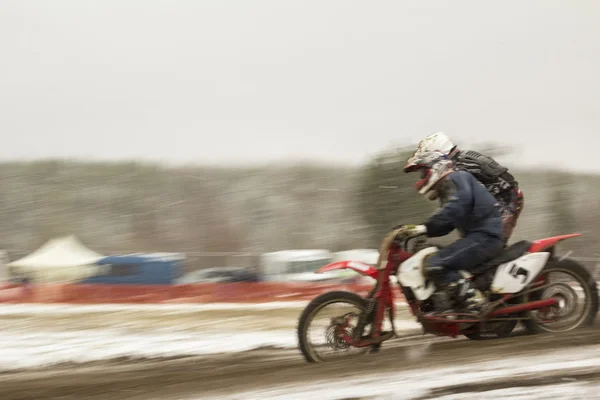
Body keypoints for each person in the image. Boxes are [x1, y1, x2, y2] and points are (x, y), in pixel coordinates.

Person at [399, 150, 505, 314]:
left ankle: (475, 302)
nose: (420, 179)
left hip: (485, 236)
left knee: (434, 263)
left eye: (422, 172)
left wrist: (423, 228)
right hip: (480, 236)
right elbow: (448, 223)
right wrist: (421, 231)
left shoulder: (456, 178)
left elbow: (455, 208)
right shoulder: (450, 185)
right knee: (433, 256)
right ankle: (448, 302)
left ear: (435, 167)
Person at [407, 132, 524, 245]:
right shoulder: (460, 159)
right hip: (504, 196)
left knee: (487, 241)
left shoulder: (457, 165)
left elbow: (460, 196)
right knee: (476, 237)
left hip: (505, 199)